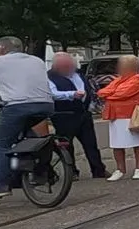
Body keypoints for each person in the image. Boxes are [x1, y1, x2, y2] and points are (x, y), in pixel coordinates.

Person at [0, 36, 57, 194]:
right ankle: (40, 172)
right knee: (31, 136)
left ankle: (1, 185)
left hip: (17, 107)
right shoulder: (36, 61)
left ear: (2, 49)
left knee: (1, 145)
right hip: (46, 105)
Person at [47, 51, 109, 179]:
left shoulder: (78, 75)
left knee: (90, 143)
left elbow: (88, 89)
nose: (69, 68)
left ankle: (98, 170)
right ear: (57, 67)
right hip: (64, 115)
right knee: (66, 145)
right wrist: (71, 94)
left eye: (70, 65)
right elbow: (52, 93)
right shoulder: (49, 77)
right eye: (66, 66)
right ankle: (72, 172)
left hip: (83, 114)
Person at [98, 54, 139, 179]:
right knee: (117, 144)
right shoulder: (119, 79)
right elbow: (102, 92)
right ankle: (120, 170)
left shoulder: (138, 78)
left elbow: (123, 93)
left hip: (132, 115)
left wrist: (109, 95)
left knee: (137, 142)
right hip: (115, 115)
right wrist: (110, 93)